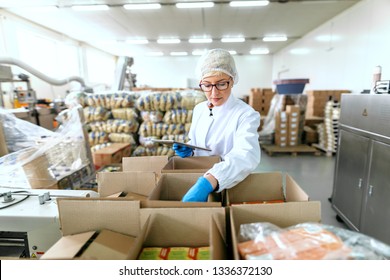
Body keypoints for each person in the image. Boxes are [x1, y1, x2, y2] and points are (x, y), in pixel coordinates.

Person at [173, 48, 261, 202]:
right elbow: (198, 142)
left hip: (229, 185)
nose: (214, 93)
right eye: (207, 85)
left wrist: (209, 181)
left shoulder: (246, 114)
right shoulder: (199, 109)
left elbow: (246, 155)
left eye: (221, 84)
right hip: (198, 177)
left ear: (232, 81)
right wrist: (190, 150)